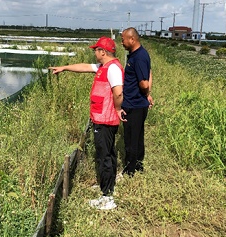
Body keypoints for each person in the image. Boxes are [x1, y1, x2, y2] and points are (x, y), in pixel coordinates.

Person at [49, 36, 124, 210]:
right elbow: (84, 67)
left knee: (104, 156)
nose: (94, 53)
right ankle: (108, 187)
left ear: (103, 52)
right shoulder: (105, 66)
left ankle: (107, 198)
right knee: (109, 153)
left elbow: (118, 92)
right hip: (103, 118)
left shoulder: (112, 69)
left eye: (96, 50)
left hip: (105, 119)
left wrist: (118, 109)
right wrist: (65, 67)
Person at [120, 27, 153, 176]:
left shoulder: (139, 57)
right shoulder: (137, 55)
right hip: (138, 103)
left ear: (132, 39)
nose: (122, 43)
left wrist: (146, 92)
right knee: (138, 137)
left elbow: (144, 83)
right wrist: (148, 95)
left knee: (131, 139)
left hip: (133, 105)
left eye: (123, 40)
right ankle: (138, 166)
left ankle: (130, 171)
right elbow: (150, 72)